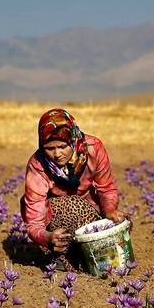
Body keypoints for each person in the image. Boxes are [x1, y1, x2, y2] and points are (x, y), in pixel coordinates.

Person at [21, 108, 127, 271]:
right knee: (74, 204)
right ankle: (61, 257)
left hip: (92, 214)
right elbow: (34, 221)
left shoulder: (93, 148)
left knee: (119, 228)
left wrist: (110, 210)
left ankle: (87, 256)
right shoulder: (38, 166)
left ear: (73, 139)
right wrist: (47, 237)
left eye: (63, 146)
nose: (57, 154)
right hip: (57, 223)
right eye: (50, 148)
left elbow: (106, 188)